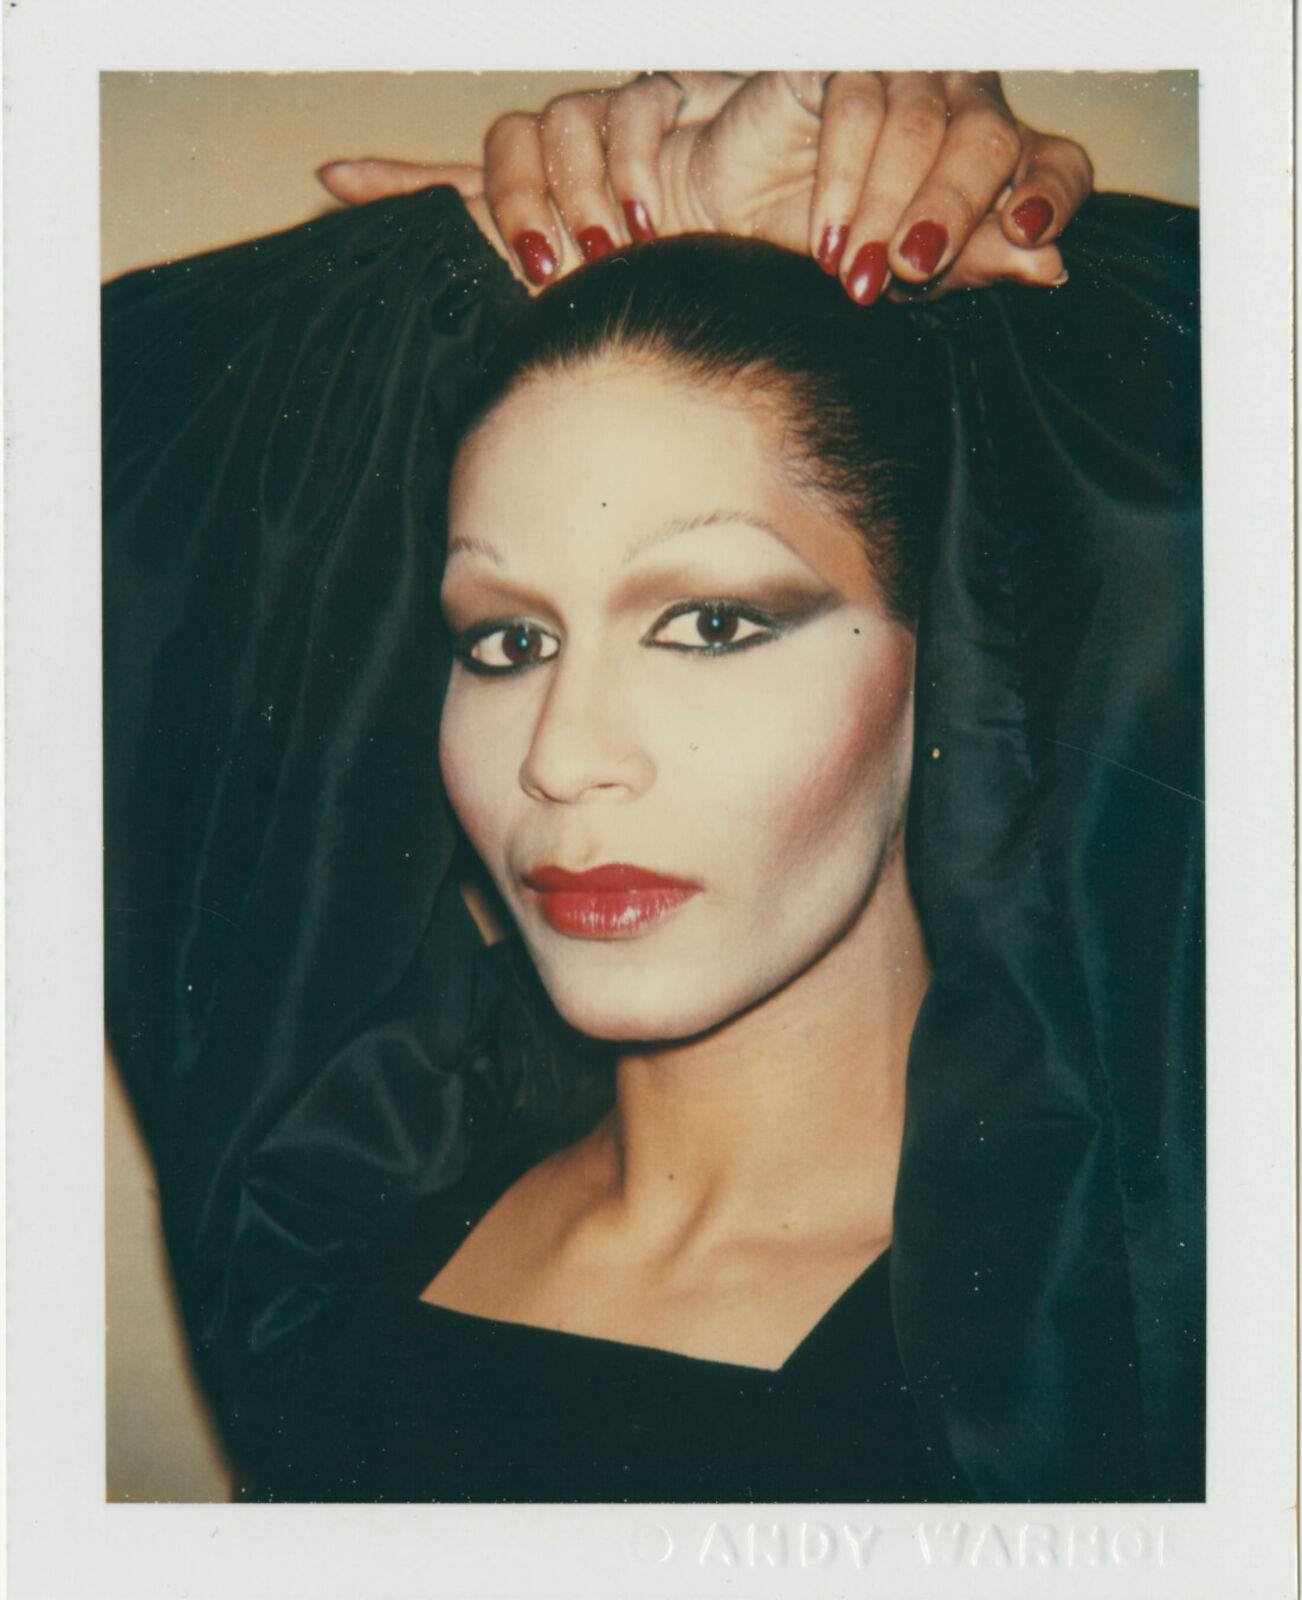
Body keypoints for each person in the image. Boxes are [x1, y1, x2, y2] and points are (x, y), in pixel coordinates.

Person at [102, 72, 1201, 1502]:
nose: (562, 756)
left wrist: (1046, 266)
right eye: (504, 640)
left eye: (712, 623)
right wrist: (563, 250)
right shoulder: (326, 1210)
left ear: (963, 664)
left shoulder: (1131, 1327)